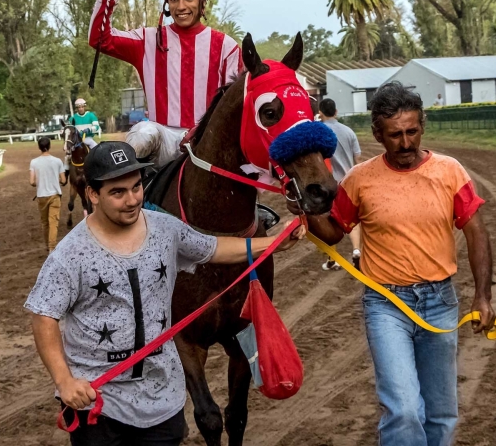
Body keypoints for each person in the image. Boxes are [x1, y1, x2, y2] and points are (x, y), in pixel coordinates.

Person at [25, 141, 304, 446]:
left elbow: (214, 248)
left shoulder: (165, 229)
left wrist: (274, 242)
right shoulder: (70, 254)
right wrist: (64, 381)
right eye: (118, 193)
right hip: (99, 407)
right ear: (92, 194)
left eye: (136, 187)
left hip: (162, 403)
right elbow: (44, 316)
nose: (132, 200)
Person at [292, 82, 496, 446]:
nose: (405, 143)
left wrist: (483, 296)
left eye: (412, 132)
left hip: (439, 303)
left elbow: (477, 232)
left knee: (440, 411)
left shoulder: (450, 171)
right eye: (395, 135)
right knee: (403, 409)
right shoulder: (359, 180)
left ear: (422, 127)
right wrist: (306, 212)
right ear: (377, 135)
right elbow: (334, 232)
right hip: (386, 305)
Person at [90, 0, 242, 167]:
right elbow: (99, 39)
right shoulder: (148, 39)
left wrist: (204, 129)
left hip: (207, 139)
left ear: (202, 0)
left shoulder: (227, 47)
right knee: (143, 133)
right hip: (162, 139)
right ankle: (133, 192)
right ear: (167, 4)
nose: (180, 7)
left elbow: (235, 106)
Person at [317, 97, 363, 271]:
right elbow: (357, 159)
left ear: (321, 113)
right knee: (351, 218)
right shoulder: (348, 131)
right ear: (335, 111)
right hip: (348, 181)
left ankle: (332, 259)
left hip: (326, 183)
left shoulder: (318, 132)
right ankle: (357, 250)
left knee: (329, 220)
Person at [30, 137, 67, 252]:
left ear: (39, 147)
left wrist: (40, 182)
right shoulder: (57, 161)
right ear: (49, 146)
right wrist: (56, 180)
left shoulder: (34, 162)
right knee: (53, 223)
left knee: (45, 223)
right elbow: (64, 180)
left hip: (41, 195)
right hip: (54, 195)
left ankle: (47, 245)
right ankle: (52, 248)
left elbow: (32, 182)